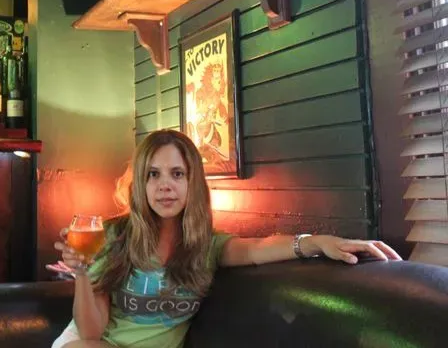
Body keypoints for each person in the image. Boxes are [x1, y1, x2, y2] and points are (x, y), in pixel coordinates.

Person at [52, 129, 401, 348]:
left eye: (177, 174)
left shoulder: (207, 247)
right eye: (153, 175)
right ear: (140, 185)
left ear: (193, 184)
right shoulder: (112, 235)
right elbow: (91, 334)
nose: (164, 186)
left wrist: (316, 241)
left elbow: (257, 249)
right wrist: (81, 272)